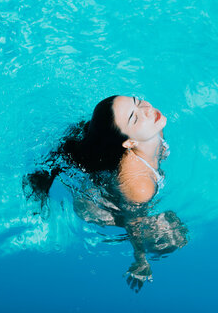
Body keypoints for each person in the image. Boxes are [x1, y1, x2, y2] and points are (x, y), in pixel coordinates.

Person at [22, 95, 188, 292]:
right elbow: (134, 221)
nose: (147, 108)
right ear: (129, 143)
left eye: (137, 100)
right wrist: (140, 259)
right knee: (166, 236)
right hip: (96, 204)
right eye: (134, 118)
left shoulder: (153, 125)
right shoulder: (139, 187)